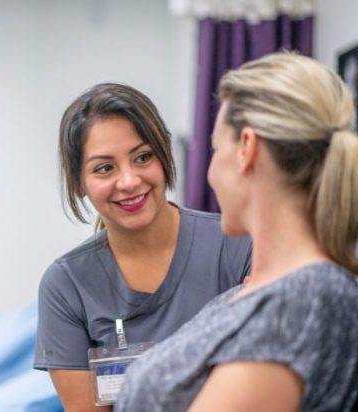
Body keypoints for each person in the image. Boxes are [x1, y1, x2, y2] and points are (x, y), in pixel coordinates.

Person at [117, 52, 358, 411]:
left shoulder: (306, 300)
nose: (211, 172)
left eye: (215, 148)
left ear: (246, 148)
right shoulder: (251, 296)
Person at [33, 83, 252, 411]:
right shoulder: (66, 284)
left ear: (163, 157)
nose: (129, 181)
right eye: (104, 168)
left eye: (143, 157)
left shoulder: (237, 246)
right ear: (78, 181)